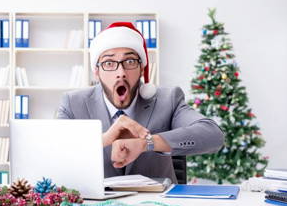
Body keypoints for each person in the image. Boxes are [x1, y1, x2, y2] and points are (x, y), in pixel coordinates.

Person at [57, 22, 224, 182]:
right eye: (109, 63)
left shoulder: (168, 99)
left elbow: (213, 135)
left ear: (141, 68)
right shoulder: (73, 103)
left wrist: (147, 143)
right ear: (96, 71)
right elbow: (55, 151)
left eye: (129, 62)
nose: (120, 73)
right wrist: (104, 139)